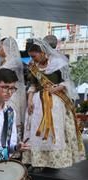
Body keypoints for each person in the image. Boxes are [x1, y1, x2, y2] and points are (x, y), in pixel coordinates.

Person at [22, 38, 85, 170]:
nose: (32, 59)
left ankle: (52, 161)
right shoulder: (34, 66)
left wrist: (56, 88)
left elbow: (67, 82)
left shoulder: (59, 63)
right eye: (31, 57)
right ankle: (37, 160)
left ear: (43, 52)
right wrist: (29, 99)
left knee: (51, 132)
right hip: (37, 101)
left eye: (34, 56)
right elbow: (33, 84)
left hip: (54, 102)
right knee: (35, 131)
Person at [0, 37, 27, 138]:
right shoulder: (2, 61)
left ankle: (13, 145)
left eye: (0, 47)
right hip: (3, 93)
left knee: (11, 117)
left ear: (6, 48)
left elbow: (1, 75)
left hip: (13, 94)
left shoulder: (14, 62)